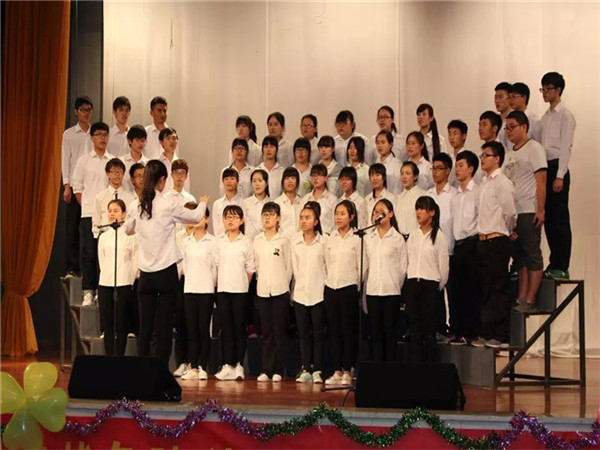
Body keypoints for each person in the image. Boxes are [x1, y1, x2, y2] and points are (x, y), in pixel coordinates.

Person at [124, 160, 209, 362]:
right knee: (163, 326)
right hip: (165, 273)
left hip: (145, 275)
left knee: (145, 327)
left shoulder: (137, 205)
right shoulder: (168, 204)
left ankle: (142, 368)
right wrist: (203, 202)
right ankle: (160, 369)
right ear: (162, 180)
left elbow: (127, 230)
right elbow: (196, 216)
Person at [472, 141, 517, 349]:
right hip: (482, 240)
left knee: (499, 288)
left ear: (497, 158)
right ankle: (486, 331)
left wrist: (505, 231)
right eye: (481, 155)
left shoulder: (502, 182)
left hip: (497, 239)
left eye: (486, 155)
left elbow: (510, 213)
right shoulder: (483, 183)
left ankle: (501, 334)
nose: (482, 159)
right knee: (485, 289)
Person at [503, 111, 547, 314]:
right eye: (507, 128)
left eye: (512, 127)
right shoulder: (509, 154)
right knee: (519, 257)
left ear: (524, 127)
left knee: (532, 254)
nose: (509, 131)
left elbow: (541, 180)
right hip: (514, 212)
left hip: (529, 209)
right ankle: (521, 296)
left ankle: (531, 297)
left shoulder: (534, 148)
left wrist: (540, 209)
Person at [536, 71, 576, 280]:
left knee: (559, 218)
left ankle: (562, 264)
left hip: (557, 167)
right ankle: (554, 262)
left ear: (558, 90)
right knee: (549, 217)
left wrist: (560, 175)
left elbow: (566, 147)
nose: (545, 93)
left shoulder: (565, 115)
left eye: (548, 89)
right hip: (545, 167)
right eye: (542, 89)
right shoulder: (545, 117)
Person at [71, 122, 115, 305]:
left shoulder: (112, 161)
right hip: (89, 213)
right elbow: (77, 188)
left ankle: (102, 291)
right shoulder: (84, 161)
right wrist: (89, 207)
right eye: (99, 135)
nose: (103, 138)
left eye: (105, 135)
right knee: (89, 253)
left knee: (105, 254)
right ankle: (88, 292)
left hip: (108, 216)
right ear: (92, 138)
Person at [213, 205, 256, 381]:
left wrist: (243, 284)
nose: (230, 220)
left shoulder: (246, 242)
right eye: (227, 217)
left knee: (239, 328)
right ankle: (227, 365)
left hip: (240, 291)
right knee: (226, 328)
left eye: (234, 217)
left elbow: (250, 268)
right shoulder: (218, 241)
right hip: (223, 290)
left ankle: (238, 365)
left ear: (241, 220)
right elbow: (215, 266)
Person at [405, 196, 449, 363]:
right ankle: (415, 368)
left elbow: (443, 267)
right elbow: (407, 260)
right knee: (414, 331)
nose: (418, 212)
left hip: (430, 286)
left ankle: (430, 369)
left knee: (429, 332)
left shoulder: (439, 237)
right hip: (412, 284)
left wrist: (436, 286)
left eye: (422, 208)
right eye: (417, 208)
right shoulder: (413, 235)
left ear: (432, 212)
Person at [254, 202, 292, 382]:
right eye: (264, 215)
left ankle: (278, 369)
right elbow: (256, 266)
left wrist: (283, 284)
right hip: (263, 290)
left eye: (270, 214)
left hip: (280, 290)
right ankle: (266, 369)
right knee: (267, 332)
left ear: (278, 218)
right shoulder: (257, 240)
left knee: (279, 332)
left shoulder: (283, 240)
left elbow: (289, 267)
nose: (267, 218)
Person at [324, 200, 362, 385]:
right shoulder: (330, 238)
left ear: (351, 216)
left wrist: (355, 285)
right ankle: (336, 370)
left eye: (342, 214)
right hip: (331, 287)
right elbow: (326, 263)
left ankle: (348, 369)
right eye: (336, 213)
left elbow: (362, 267)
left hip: (348, 287)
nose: (338, 217)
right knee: (334, 331)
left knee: (348, 330)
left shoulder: (357, 238)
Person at [365, 199, 407, 361]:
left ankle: (390, 369)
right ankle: (377, 369)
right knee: (375, 334)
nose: (378, 214)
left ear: (390, 214)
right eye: (375, 212)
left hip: (391, 292)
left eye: (381, 211)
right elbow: (366, 266)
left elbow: (402, 268)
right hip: (373, 291)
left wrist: (395, 284)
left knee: (390, 334)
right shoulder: (369, 238)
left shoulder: (397, 239)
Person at [97, 199, 137, 356]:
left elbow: (135, 260)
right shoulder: (104, 236)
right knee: (108, 324)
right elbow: (102, 259)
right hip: (105, 283)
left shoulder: (130, 235)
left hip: (124, 283)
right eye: (110, 211)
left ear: (124, 214)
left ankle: (119, 356)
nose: (112, 214)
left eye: (116, 211)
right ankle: (109, 357)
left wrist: (130, 280)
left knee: (121, 323)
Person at [292, 202, 327, 383]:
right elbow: (294, 268)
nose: (304, 221)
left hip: (318, 293)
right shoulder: (295, 242)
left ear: (316, 221)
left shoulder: (324, 242)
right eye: (301, 218)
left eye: (307, 218)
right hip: (300, 293)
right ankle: (305, 367)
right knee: (304, 334)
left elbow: (327, 266)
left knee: (318, 334)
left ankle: (318, 369)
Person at [180, 210, 217, 381]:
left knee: (203, 329)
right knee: (192, 329)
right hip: (189, 289)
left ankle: (203, 366)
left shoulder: (212, 242)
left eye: (200, 216)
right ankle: (193, 366)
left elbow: (215, 267)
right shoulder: (186, 242)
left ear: (207, 219)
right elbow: (184, 267)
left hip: (206, 289)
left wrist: (210, 283)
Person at [450, 151, 481, 345]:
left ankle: (472, 331)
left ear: (471, 168)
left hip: (472, 243)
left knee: (472, 289)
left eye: (461, 165)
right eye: (456, 165)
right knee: (457, 290)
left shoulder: (477, 192)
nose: (457, 169)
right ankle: (458, 330)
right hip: (458, 245)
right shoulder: (455, 195)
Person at [61, 96, 93, 276]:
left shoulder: (95, 133)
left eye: (89, 110)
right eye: (83, 110)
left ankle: (90, 268)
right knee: (73, 228)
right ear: (76, 112)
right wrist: (66, 185)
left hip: (92, 186)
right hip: (75, 186)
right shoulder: (69, 134)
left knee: (90, 228)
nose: (86, 113)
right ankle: (72, 268)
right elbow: (65, 160)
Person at [426, 153, 457, 340]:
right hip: (430, 249)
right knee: (434, 292)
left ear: (447, 171)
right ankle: (437, 327)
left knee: (452, 292)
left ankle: (454, 328)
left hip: (450, 248)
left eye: (439, 168)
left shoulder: (453, 194)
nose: (435, 172)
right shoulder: (428, 195)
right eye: (433, 168)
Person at [92, 158, 136, 241]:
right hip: (105, 236)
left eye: (120, 171)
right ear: (107, 174)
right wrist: (99, 237)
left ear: (123, 174)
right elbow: (96, 221)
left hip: (124, 237)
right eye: (113, 172)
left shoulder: (131, 198)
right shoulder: (100, 197)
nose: (117, 175)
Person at [302, 164, 338, 235]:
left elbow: (335, 224)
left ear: (326, 178)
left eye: (319, 175)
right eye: (313, 176)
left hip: (326, 237)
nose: (315, 178)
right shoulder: (306, 199)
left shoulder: (332, 200)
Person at [395, 161, 426, 238]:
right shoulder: (398, 198)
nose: (404, 177)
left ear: (415, 176)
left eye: (408, 173)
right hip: (400, 239)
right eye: (402, 173)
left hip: (416, 239)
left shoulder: (422, 195)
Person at [212, 168, 243, 237]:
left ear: (237, 181)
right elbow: (216, 226)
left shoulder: (243, 203)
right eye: (226, 179)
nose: (229, 181)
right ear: (222, 181)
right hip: (221, 239)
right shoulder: (217, 204)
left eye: (232, 179)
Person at [242, 169, 270, 241]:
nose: (257, 184)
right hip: (249, 241)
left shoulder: (271, 203)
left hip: (267, 241)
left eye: (260, 181)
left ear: (266, 183)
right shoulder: (245, 203)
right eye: (254, 181)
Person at [274, 167, 303, 239]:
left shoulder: (303, 202)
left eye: (293, 178)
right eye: (287, 178)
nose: (290, 181)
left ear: (297, 181)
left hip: (300, 241)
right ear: (282, 182)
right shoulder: (277, 203)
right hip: (282, 241)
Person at [158, 127, 188, 193]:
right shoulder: (156, 164)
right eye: (168, 138)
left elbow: (186, 189)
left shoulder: (182, 165)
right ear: (161, 142)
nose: (172, 141)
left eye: (174, 138)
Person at [120, 125, 148, 193]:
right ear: (129, 141)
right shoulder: (121, 162)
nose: (140, 143)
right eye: (137, 140)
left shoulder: (148, 163)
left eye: (142, 140)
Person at [375, 130, 402, 194]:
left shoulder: (397, 164)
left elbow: (398, 188)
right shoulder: (375, 163)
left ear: (390, 144)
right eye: (378, 143)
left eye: (383, 142)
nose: (380, 146)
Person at [446, 119, 468, 187]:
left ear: (464, 136)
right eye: (450, 134)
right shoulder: (449, 158)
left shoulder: (467, 157)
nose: (451, 137)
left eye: (455, 134)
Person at [494, 82, 513, 151]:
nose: (497, 101)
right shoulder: (495, 121)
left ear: (510, 98)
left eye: (500, 97)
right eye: (495, 98)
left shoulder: (514, 120)